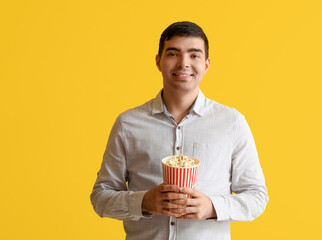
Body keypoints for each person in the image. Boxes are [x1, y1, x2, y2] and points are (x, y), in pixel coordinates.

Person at [90, 21, 268, 240]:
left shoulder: (231, 122)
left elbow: (257, 197)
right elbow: (100, 197)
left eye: (194, 55)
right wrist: (144, 202)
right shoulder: (128, 124)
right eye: (173, 54)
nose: (184, 63)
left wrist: (212, 207)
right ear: (159, 61)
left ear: (206, 64)